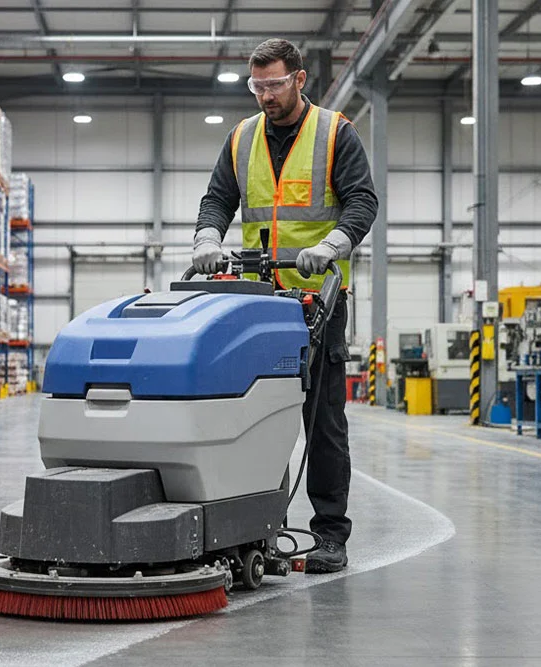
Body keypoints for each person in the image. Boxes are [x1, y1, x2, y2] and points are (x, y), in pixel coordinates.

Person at [193, 38, 378, 574]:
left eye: (273, 84)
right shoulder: (241, 137)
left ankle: (329, 535)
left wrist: (331, 247)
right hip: (259, 299)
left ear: (298, 80)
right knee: (251, 415)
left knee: (322, 421)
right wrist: (208, 238)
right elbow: (218, 198)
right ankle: (254, 527)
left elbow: (362, 200)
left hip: (317, 296)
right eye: (256, 86)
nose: (264, 96)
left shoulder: (334, 132)